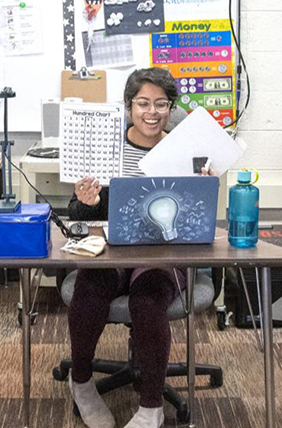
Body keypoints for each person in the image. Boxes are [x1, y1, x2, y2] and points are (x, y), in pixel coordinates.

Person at [66, 67, 211, 428]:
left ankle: (151, 406)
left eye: (161, 104)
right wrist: (87, 201)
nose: (152, 112)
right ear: (128, 106)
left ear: (170, 108)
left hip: (163, 254)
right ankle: (81, 383)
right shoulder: (107, 145)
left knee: (147, 299)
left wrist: (202, 189)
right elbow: (80, 216)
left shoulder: (186, 151)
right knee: (90, 288)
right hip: (113, 251)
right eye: (143, 103)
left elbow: (196, 218)